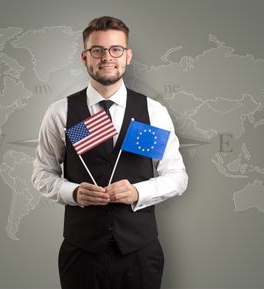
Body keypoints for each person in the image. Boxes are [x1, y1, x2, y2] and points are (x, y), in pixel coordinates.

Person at [32, 16, 188, 289]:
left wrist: (138, 192)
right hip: (81, 253)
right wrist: (74, 193)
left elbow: (176, 176)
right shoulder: (62, 112)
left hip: (139, 253)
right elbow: (42, 174)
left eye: (116, 49)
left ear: (128, 56)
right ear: (85, 57)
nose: (107, 57)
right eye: (98, 50)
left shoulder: (150, 112)